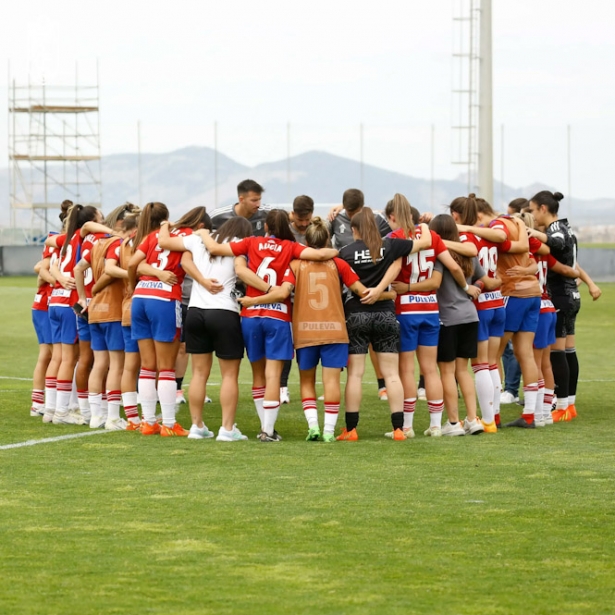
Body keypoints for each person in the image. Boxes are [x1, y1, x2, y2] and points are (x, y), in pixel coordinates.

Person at [240, 217, 389, 442]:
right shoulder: (338, 263)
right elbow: (361, 291)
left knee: (306, 381)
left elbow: (283, 291)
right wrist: (388, 294)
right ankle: (329, 431)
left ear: (306, 241)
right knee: (331, 382)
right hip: (334, 330)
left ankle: (313, 427)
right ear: (328, 239)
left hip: (305, 331)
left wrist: (253, 300)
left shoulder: (295, 265)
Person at [199, 209, 338, 442]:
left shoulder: (251, 242)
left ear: (265, 227)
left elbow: (214, 248)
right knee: (273, 375)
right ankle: (268, 431)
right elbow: (320, 255)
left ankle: (266, 427)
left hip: (250, 317)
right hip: (278, 317)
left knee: (257, 375)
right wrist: (334, 250)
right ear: (288, 225)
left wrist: (203, 233)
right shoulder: (291, 248)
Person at [337, 208, 432, 441]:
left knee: (355, 375)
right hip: (386, 316)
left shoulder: (345, 252)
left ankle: (351, 429)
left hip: (356, 315)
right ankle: (399, 428)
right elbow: (426, 243)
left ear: (354, 230)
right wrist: (424, 224)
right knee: (391, 374)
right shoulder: (391, 245)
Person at [158, 216, 253, 441]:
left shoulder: (196, 239)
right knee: (229, 375)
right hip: (224, 312)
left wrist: (166, 224)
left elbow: (164, 242)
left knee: (199, 373)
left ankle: (196, 426)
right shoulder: (240, 243)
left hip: (195, 311)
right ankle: (227, 429)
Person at [385, 194, 472, 438]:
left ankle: (408, 426)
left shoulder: (395, 238)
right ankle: (436, 425)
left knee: (406, 369)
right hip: (430, 310)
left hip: (405, 310)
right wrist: (466, 288)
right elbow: (453, 267)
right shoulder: (431, 236)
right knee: (430, 370)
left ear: (395, 218)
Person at [128, 204, 209, 437]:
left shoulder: (153, 235)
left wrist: (134, 286)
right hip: (164, 299)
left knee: (147, 365)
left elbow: (134, 264)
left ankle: (149, 422)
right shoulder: (188, 237)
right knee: (166, 367)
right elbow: (185, 264)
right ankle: (169, 424)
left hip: (140, 296)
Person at [462, 201, 542, 428]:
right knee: (525, 353)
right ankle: (530, 414)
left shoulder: (497, 225)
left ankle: (492, 415)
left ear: (480, 214)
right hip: (533, 292)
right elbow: (533, 252)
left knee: (491, 357)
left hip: (512, 293)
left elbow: (500, 239)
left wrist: (468, 229)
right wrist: (527, 268)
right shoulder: (516, 220)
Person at [44, 205, 114, 425]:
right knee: (71, 359)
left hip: (54, 300)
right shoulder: (86, 237)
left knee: (59, 358)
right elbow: (87, 226)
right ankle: (63, 412)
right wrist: (113, 232)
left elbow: (48, 245)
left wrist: (57, 276)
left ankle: (50, 409)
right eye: (101, 218)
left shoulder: (66, 239)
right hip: (68, 302)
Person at [428, 214, 498, 435]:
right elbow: (483, 279)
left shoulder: (440, 255)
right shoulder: (467, 253)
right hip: (470, 316)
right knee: (464, 371)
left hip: (447, 318)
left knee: (447, 372)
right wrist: (473, 286)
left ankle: (453, 422)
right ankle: (472, 419)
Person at [330, 188, 392, 401]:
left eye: (354, 212)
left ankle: (382, 384)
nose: (350, 217)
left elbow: (393, 242)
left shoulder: (378, 220)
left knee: (375, 343)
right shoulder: (335, 218)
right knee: (344, 338)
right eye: (348, 212)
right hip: (348, 291)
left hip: (372, 287)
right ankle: (332, 382)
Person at [279, 194, 316, 404]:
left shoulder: (320, 227)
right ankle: (282, 387)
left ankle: (314, 385)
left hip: (311, 298)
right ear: (292, 214)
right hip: (288, 296)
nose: (303, 224)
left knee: (311, 343)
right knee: (286, 343)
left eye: (306, 220)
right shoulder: (285, 231)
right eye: (299, 220)